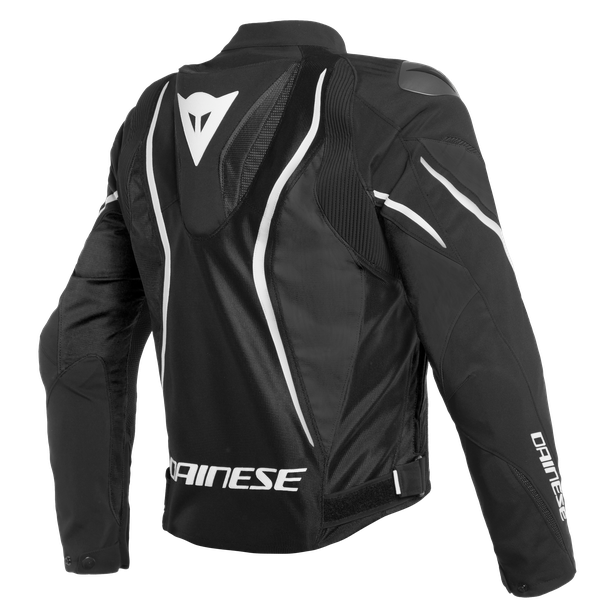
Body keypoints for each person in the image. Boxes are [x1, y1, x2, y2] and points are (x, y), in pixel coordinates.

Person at [38, 19, 576, 595]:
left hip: (194, 530)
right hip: (357, 522)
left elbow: (76, 342)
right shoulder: (387, 103)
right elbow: (483, 341)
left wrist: (93, 549)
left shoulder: (150, 117)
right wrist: (539, 563)